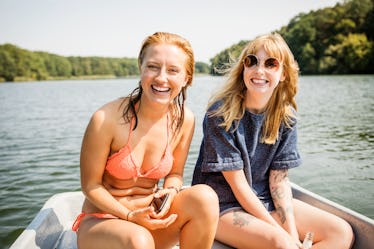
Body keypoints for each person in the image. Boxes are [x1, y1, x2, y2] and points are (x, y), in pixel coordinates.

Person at [192, 33, 354, 249]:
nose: (259, 70)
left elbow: (279, 181)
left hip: (265, 199)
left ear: (284, 74)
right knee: (281, 244)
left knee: (341, 233)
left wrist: (292, 233)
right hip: (222, 206)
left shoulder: (286, 118)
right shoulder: (220, 114)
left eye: (271, 63)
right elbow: (238, 186)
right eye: (252, 62)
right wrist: (283, 235)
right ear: (243, 69)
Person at [73, 32, 219, 249]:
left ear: (186, 78)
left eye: (173, 70)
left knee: (205, 198)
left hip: (149, 222)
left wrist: (170, 190)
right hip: (102, 223)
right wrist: (130, 215)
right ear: (140, 68)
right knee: (138, 239)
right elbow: (90, 186)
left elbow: (175, 174)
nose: (161, 78)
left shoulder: (184, 120)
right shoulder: (106, 119)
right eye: (153, 66)